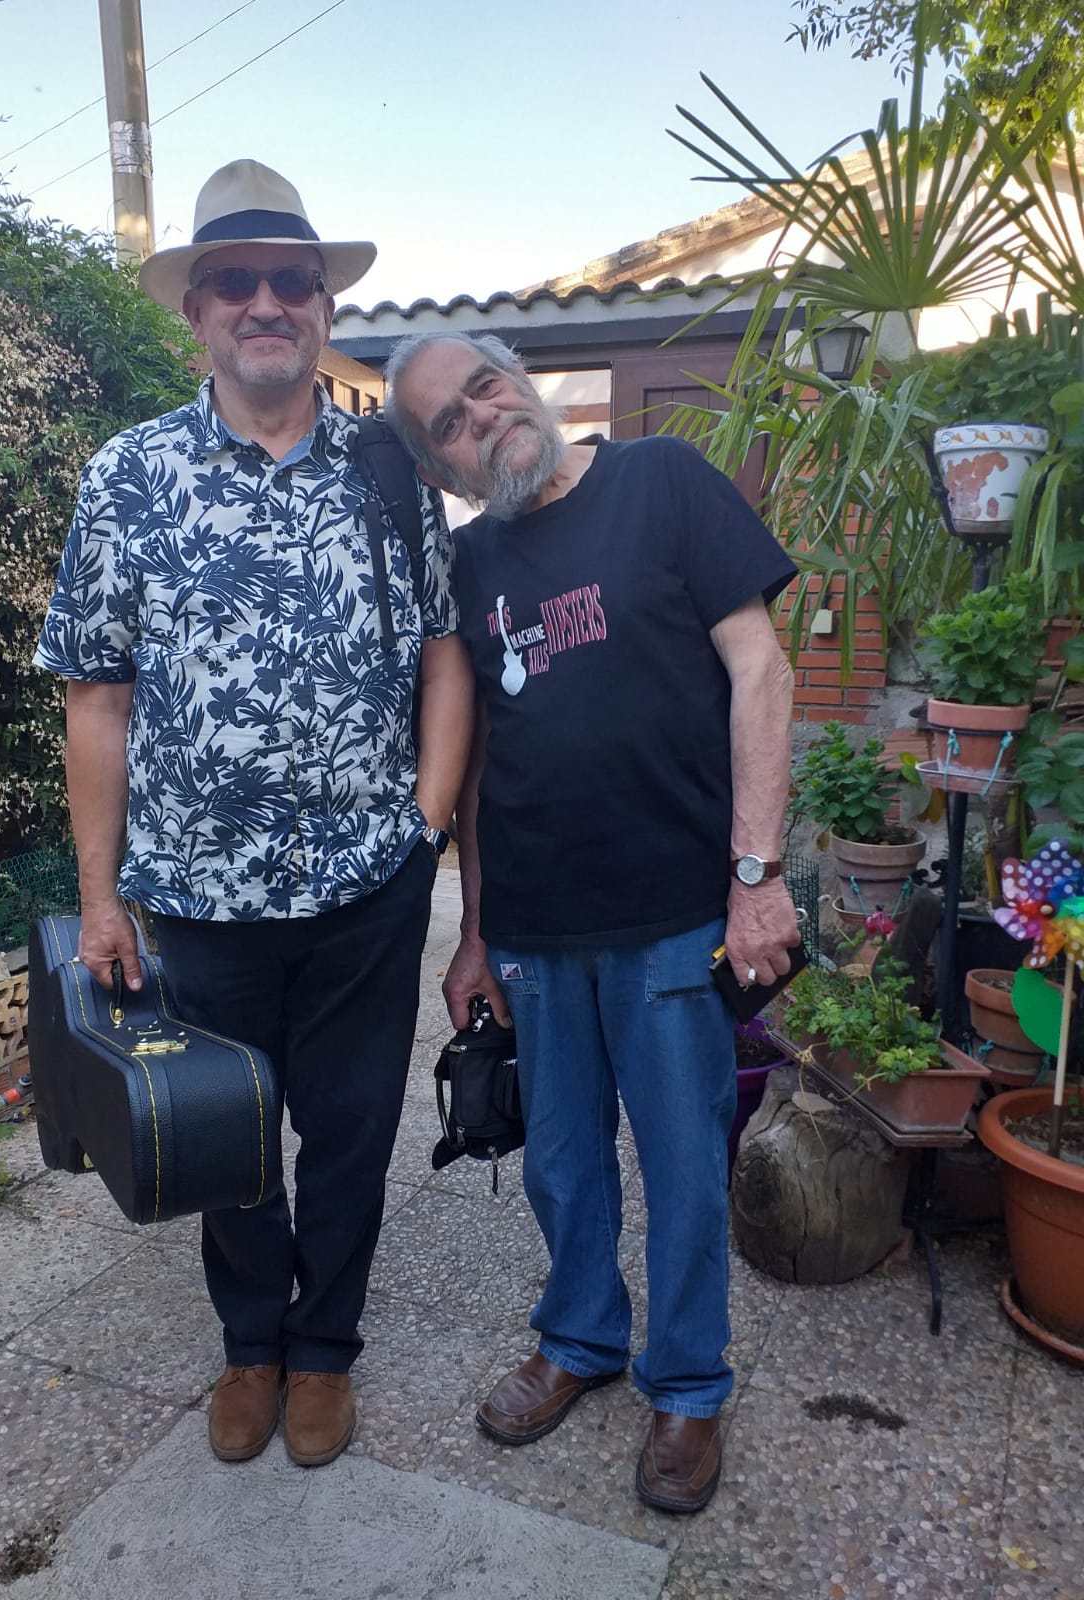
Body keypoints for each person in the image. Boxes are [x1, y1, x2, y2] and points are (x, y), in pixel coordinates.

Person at [35, 164, 473, 1469]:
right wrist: (102, 898)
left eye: (293, 280)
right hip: (199, 895)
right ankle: (250, 1344)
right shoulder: (129, 477)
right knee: (226, 1129)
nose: (267, 302)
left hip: (368, 886)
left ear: (325, 307)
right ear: (198, 313)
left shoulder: (392, 469)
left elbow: (443, 651)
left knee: (348, 1133)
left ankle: (323, 1346)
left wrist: (426, 824)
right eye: (238, 281)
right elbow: (98, 698)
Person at [383, 330, 799, 1514]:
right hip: (534, 929)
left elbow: (761, 672)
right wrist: (474, 933)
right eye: (450, 424)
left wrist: (757, 875)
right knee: (563, 1162)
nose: (481, 416)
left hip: (672, 915)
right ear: (446, 468)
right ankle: (579, 1337)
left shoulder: (663, 480)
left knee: (683, 1165)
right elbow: (474, 768)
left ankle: (688, 1381)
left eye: (484, 387)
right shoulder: (470, 563)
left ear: (520, 381)